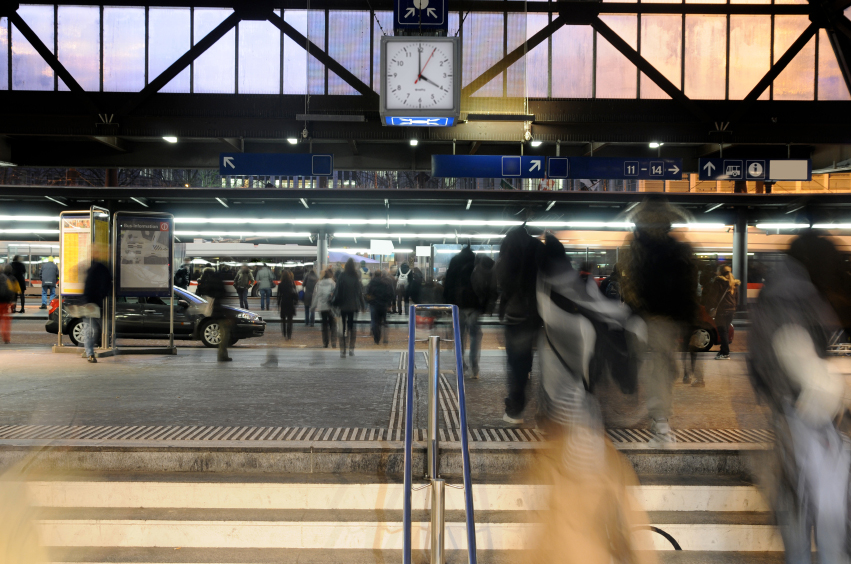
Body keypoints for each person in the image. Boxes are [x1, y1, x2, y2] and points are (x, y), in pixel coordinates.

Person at [749, 232, 850, 564]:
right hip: (817, 419)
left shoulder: (771, 298)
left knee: (796, 514)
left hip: (789, 418)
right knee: (829, 518)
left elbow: (760, 366)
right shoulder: (811, 299)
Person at [620, 198, 698, 445]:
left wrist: (635, 312)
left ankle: (646, 413)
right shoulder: (679, 248)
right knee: (663, 368)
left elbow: (628, 284)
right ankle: (659, 418)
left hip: (643, 318)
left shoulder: (634, 247)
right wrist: (687, 320)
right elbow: (689, 287)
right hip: (668, 320)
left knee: (643, 364)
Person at [496, 226, 544, 425]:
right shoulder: (537, 247)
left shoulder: (509, 248)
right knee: (534, 362)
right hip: (538, 312)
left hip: (516, 314)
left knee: (516, 363)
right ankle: (544, 412)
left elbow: (503, 281)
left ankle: (515, 409)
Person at [444, 245, 483, 378]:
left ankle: (460, 365)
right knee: (474, 337)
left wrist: (447, 305)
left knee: (459, 338)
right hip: (474, 307)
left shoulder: (455, 262)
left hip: (458, 306)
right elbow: (483, 286)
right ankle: (475, 367)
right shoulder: (476, 263)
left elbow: (448, 284)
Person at [705, 264, 739, 360]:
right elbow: (737, 299)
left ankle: (725, 353)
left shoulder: (718, 282)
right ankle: (722, 351)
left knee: (723, 332)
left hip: (722, 310)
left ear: (720, 272)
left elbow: (713, 298)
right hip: (731, 311)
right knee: (725, 331)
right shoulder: (733, 283)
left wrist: (709, 308)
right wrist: (734, 309)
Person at [197, 267, 231, 362]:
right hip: (218, 310)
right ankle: (222, 355)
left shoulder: (203, 281)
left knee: (223, 331)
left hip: (212, 309)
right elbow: (222, 293)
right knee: (225, 333)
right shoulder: (215, 280)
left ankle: (222, 355)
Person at [332, 258, 365, 357]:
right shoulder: (355, 276)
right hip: (353, 305)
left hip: (343, 305)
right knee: (352, 327)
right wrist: (362, 305)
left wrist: (334, 302)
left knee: (342, 328)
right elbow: (359, 292)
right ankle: (351, 348)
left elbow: (337, 290)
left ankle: (343, 350)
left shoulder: (342, 276)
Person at [82, 260, 112, 363]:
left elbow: (87, 288)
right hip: (94, 304)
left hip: (92, 303)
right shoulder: (101, 268)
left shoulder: (96, 269)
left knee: (91, 328)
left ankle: (88, 352)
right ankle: (89, 352)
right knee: (92, 328)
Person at [366, 270, 394, 345]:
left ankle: (376, 337)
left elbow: (367, 294)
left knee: (374, 321)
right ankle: (385, 338)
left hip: (374, 305)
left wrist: (369, 302)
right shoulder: (385, 283)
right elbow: (389, 294)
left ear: (374, 275)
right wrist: (389, 304)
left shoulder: (371, 283)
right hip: (383, 304)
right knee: (383, 321)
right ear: (381, 275)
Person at [312, 268, 337, 348]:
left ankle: (325, 343)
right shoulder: (333, 283)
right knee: (333, 325)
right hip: (331, 307)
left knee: (324, 325)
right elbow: (336, 295)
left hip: (322, 308)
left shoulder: (318, 283)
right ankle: (333, 342)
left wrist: (313, 306)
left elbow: (316, 296)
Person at [0, 265, 19, 344]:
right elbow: (10, 289)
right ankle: (6, 337)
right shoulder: (5, 278)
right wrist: (11, 300)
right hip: (4, 302)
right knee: (5, 320)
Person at [277, 271, 298, 340]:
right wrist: (295, 302)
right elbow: (295, 294)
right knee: (290, 319)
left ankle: (284, 332)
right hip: (290, 303)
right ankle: (289, 334)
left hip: (284, 303)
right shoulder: (292, 284)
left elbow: (279, 295)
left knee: (283, 319)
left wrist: (278, 303)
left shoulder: (280, 285)